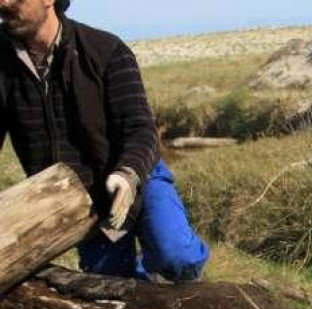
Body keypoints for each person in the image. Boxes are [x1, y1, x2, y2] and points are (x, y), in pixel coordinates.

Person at [0, 0, 209, 282]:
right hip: (79, 201)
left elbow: (141, 129)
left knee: (176, 256)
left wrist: (128, 174)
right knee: (110, 286)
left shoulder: (105, 50)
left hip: (138, 176)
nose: (4, 3)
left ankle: (183, 285)